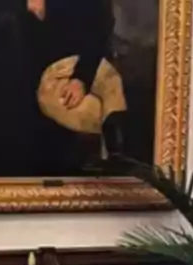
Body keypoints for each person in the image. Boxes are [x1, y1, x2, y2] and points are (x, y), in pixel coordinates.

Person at [24, 0, 129, 166]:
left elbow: (99, 29)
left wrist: (81, 78)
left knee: (111, 85)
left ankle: (114, 151)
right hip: (45, 78)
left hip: (88, 64)